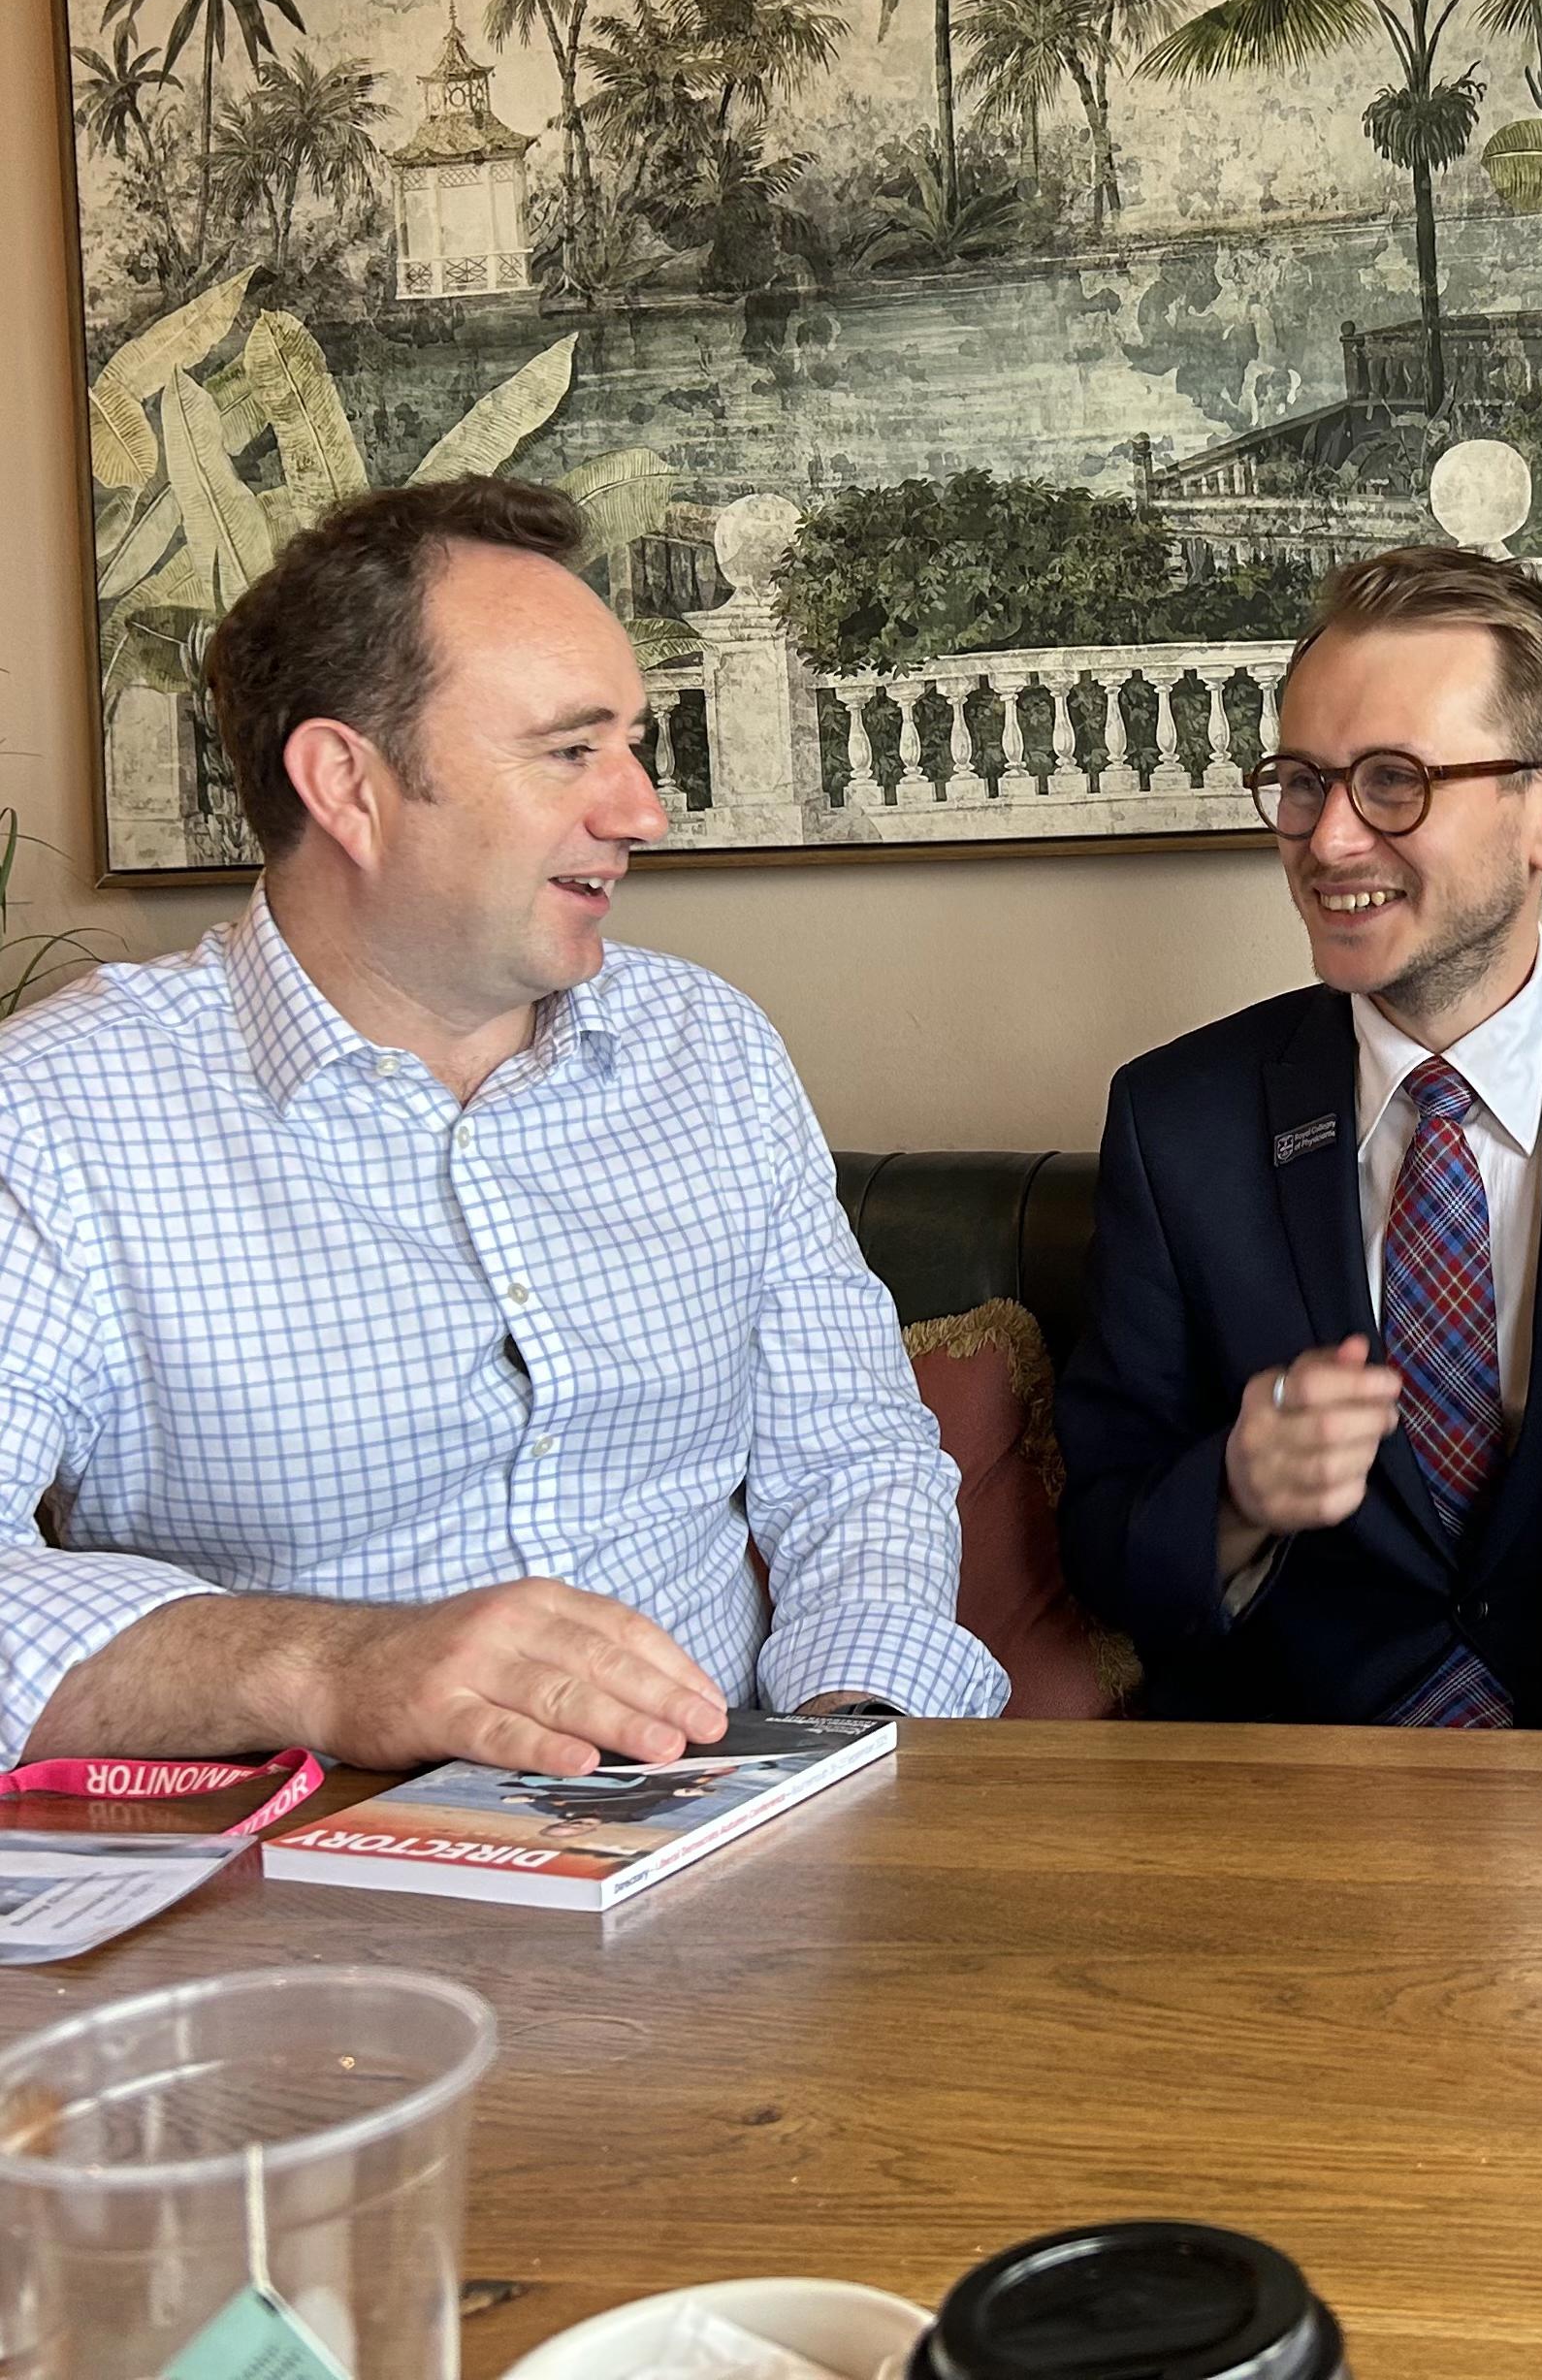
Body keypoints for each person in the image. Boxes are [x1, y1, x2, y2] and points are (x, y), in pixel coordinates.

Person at [0, 476, 1006, 1779]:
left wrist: (845, 1732)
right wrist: (333, 1668)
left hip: (739, 1820)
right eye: (571, 750)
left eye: (632, 743)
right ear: (347, 784)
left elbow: (854, 1456)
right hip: (309, 1863)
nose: (642, 810)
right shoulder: (56, 1114)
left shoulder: (708, 1050)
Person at [1054, 546, 1542, 1729]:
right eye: (1303, 781)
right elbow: (1102, 1541)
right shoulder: (1177, 1122)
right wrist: (1236, 1493)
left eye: (1394, 782)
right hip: (1296, 1790)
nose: (1329, 839)